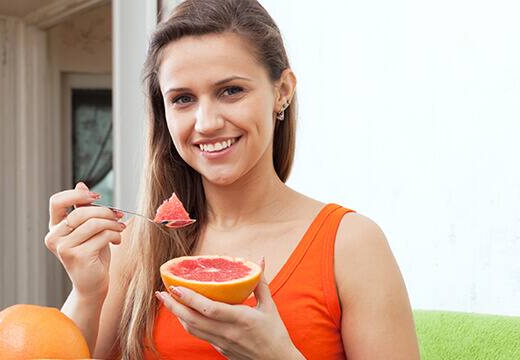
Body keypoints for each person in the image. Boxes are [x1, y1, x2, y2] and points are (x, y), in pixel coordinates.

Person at [43, 0, 420, 359]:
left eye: (231, 91)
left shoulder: (352, 245)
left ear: (282, 91)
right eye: (182, 99)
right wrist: (88, 292)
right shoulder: (135, 247)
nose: (206, 123)